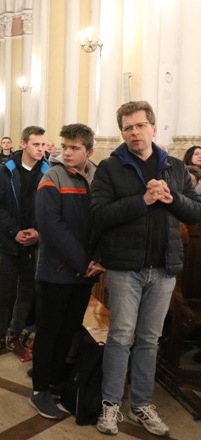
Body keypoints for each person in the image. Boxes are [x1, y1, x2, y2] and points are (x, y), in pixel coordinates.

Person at [91, 101, 201, 436]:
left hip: (164, 268)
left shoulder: (173, 168)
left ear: (154, 127)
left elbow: (195, 212)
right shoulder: (111, 168)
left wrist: (171, 199)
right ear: (122, 132)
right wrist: (142, 200)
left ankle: (141, 404)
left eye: (140, 126)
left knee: (150, 340)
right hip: (126, 268)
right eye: (127, 127)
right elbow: (99, 214)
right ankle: (110, 404)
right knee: (121, 337)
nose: (134, 132)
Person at [30, 123, 104, 419]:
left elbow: (104, 222)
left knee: (69, 329)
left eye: (75, 148)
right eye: (65, 147)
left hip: (86, 272)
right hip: (56, 270)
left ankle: (57, 379)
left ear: (89, 150)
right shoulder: (52, 177)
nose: (68, 152)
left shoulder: (99, 178)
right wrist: (82, 261)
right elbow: (50, 225)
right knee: (49, 330)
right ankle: (40, 390)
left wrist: (97, 259)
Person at [0, 126, 49, 358]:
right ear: (24, 144)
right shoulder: (6, 170)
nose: (40, 149)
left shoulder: (50, 171)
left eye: (42, 145)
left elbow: (53, 209)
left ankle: (15, 335)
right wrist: (14, 231)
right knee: (2, 292)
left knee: (27, 291)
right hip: (7, 241)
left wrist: (38, 232)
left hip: (35, 244)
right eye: (35, 144)